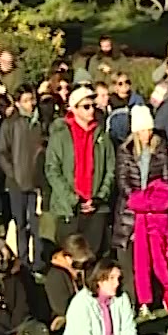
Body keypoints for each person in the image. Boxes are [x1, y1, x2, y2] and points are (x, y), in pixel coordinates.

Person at [115, 107, 168, 315]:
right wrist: (138, 200)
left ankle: (160, 297)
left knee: (159, 259)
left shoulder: (160, 150)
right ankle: (139, 302)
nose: (147, 135)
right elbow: (123, 182)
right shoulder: (125, 151)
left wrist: (152, 201)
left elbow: (166, 180)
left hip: (155, 214)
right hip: (132, 215)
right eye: (143, 131)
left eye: (149, 130)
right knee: (136, 262)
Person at [60, 257, 168, 335]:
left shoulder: (122, 298)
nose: (116, 283)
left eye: (118, 278)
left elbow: (128, 328)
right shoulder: (81, 303)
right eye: (111, 279)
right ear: (99, 280)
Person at [44, 87, 117, 257]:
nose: (91, 110)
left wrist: (100, 197)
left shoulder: (102, 137)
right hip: (69, 209)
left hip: (96, 208)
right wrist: (72, 199)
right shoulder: (60, 136)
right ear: (74, 109)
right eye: (86, 106)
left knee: (94, 255)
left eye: (93, 106)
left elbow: (110, 169)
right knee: (71, 256)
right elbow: (52, 170)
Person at [0, 87, 48, 273]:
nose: (31, 104)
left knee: (36, 223)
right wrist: (13, 173)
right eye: (26, 100)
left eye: (32, 99)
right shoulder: (11, 124)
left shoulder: (39, 123)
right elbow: (2, 153)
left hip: (36, 182)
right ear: (18, 103)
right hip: (16, 182)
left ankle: (38, 262)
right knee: (20, 223)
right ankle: (22, 260)